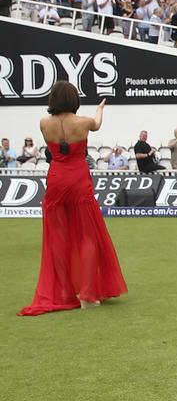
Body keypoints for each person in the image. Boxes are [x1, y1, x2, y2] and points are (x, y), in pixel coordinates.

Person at [19, 82, 127, 316]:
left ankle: (64, 292)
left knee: (57, 238)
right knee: (87, 236)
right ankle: (87, 294)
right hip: (78, 179)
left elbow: (56, 147)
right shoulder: (84, 122)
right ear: (73, 99)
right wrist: (100, 109)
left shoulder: (44, 124)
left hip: (56, 179)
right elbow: (96, 125)